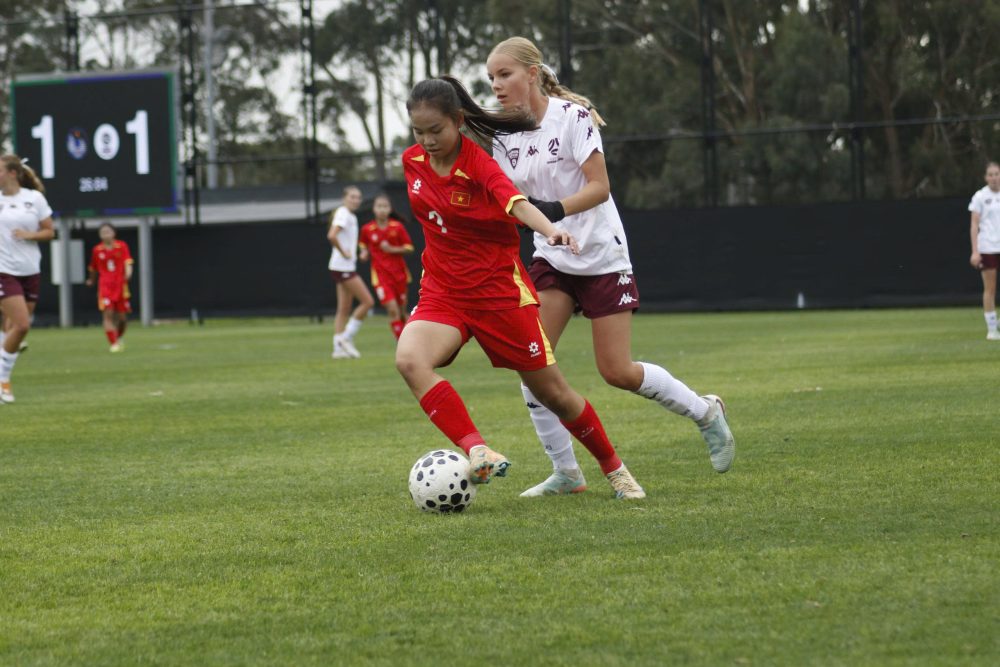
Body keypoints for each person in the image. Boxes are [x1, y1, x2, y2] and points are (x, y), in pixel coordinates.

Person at [485, 36, 735, 496]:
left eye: (505, 74)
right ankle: (567, 472)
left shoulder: (573, 117)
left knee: (616, 371)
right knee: (531, 361)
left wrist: (553, 212)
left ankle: (705, 412)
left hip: (601, 255)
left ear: (533, 73)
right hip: (552, 258)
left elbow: (599, 187)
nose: (497, 85)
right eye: (491, 78)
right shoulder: (503, 135)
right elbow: (505, 197)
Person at [396, 75, 645, 499]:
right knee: (409, 360)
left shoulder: (479, 165)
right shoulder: (412, 161)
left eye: (435, 130)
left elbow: (516, 203)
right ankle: (477, 450)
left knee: (554, 394)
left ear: (458, 121)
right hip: (443, 292)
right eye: (418, 132)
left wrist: (551, 230)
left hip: (499, 296)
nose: (427, 141)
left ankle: (615, 469)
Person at [0, 154, 55, 403]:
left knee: (15, 328)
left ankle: (3, 378)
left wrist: (29, 235)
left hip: (30, 270)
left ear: (12, 173)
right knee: (22, 325)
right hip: (4, 270)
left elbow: (49, 231)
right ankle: (3, 381)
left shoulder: (34, 198)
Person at [358, 193, 415, 340]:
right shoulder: (367, 229)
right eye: (379, 206)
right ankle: (400, 343)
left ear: (390, 209)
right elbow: (363, 245)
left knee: (402, 313)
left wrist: (391, 249)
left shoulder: (397, 227)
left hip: (399, 274)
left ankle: (412, 340)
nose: (382, 209)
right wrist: (364, 253)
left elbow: (409, 248)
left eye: (385, 206)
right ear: (374, 209)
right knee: (393, 310)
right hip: (381, 276)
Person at [328, 185, 375, 359]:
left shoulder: (350, 216)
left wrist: (357, 254)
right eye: (352, 197)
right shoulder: (343, 213)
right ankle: (345, 338)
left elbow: (344, 239)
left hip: (343, 267)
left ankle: (337, 349)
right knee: (368, 302)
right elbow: (332, 235)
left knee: (343, 309)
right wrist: (344, 253)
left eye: (358, 197)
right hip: (342, 267)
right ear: (344, 198)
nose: (356, 200)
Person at [85, 222, 134, 352]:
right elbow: (93, 268)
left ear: (114, 233)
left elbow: (128, 262)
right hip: (105, 286)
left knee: (122, 318)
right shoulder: (97, 250)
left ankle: (118, 336)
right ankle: (113, 343)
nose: (105, 234)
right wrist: (91, 280)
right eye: (103, 232)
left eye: (108, 231)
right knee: (108, 314)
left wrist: (128, 273)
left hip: (120, 286)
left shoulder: (121, 246)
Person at [968, 161, 1000, 340]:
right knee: (990, 288)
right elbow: (974, 224)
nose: (994, 178)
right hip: (988, 247)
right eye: (991, 174)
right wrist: (975, 251)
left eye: (997, 174)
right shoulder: (980, 196)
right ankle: (992, 329)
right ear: (986, 177)